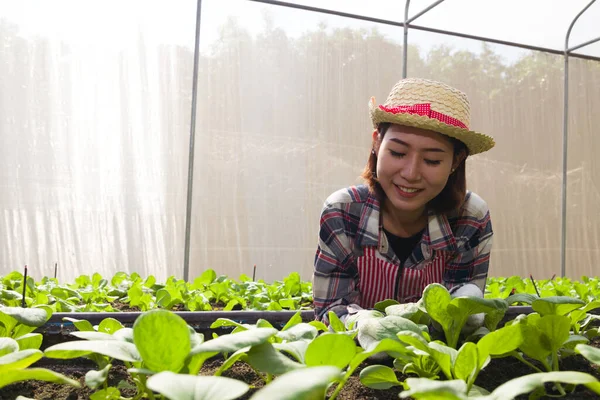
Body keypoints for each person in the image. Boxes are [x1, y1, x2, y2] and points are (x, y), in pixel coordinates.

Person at [312, 77, 495, 323]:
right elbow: (330, 311)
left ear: (456, 161)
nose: (410, 174)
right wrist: (369, 328)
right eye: (398, 153)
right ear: (376, 142)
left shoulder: (470, 218)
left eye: (432, 160)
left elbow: (458, 319)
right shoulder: (343, 213)